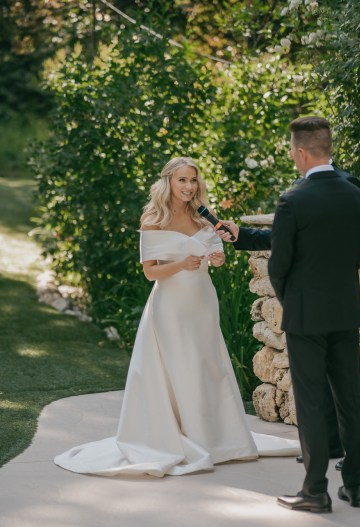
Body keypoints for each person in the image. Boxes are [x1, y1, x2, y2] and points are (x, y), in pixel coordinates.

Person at [54, 157, 299, 478]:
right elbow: (150, 271)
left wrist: (217, 257)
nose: (188, 187)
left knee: (205, 364)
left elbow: (220, 259)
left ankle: (214, 437)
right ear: (168, 181)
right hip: (169, 305)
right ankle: (174, 435)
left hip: (202, 301)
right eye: (182, 180)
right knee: (174, 366)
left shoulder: (204, 217)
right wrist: (181, 265)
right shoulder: (153, 219)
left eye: (193, 180)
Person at [220, 117, 360, 512]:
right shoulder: (356, 195)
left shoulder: (294, 199)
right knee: (350, 397)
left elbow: (279, 266)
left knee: (310, 400)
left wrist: (292, 301)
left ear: (301, 152)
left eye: (291, 150)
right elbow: (353, 256)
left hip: (306, 313)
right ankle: (355, 486)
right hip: (345, 309)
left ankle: (315, 490)